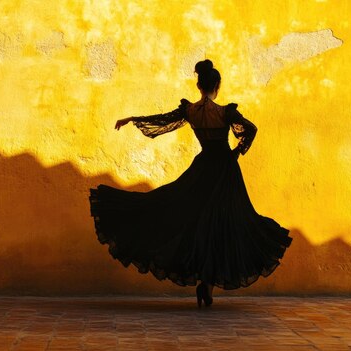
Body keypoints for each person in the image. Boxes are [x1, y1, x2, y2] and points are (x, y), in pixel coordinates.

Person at [89, 59, 292, 307]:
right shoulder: (225, 112)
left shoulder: (191, 111)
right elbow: (250, 129)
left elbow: (163, 120)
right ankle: (207, 284)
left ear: (199, 85)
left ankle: (205, 283)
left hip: (203, 168)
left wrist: (133, 118)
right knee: (224, 225)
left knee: (193, 220)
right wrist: (236, 152)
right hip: (225, 171)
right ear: (217, 85)